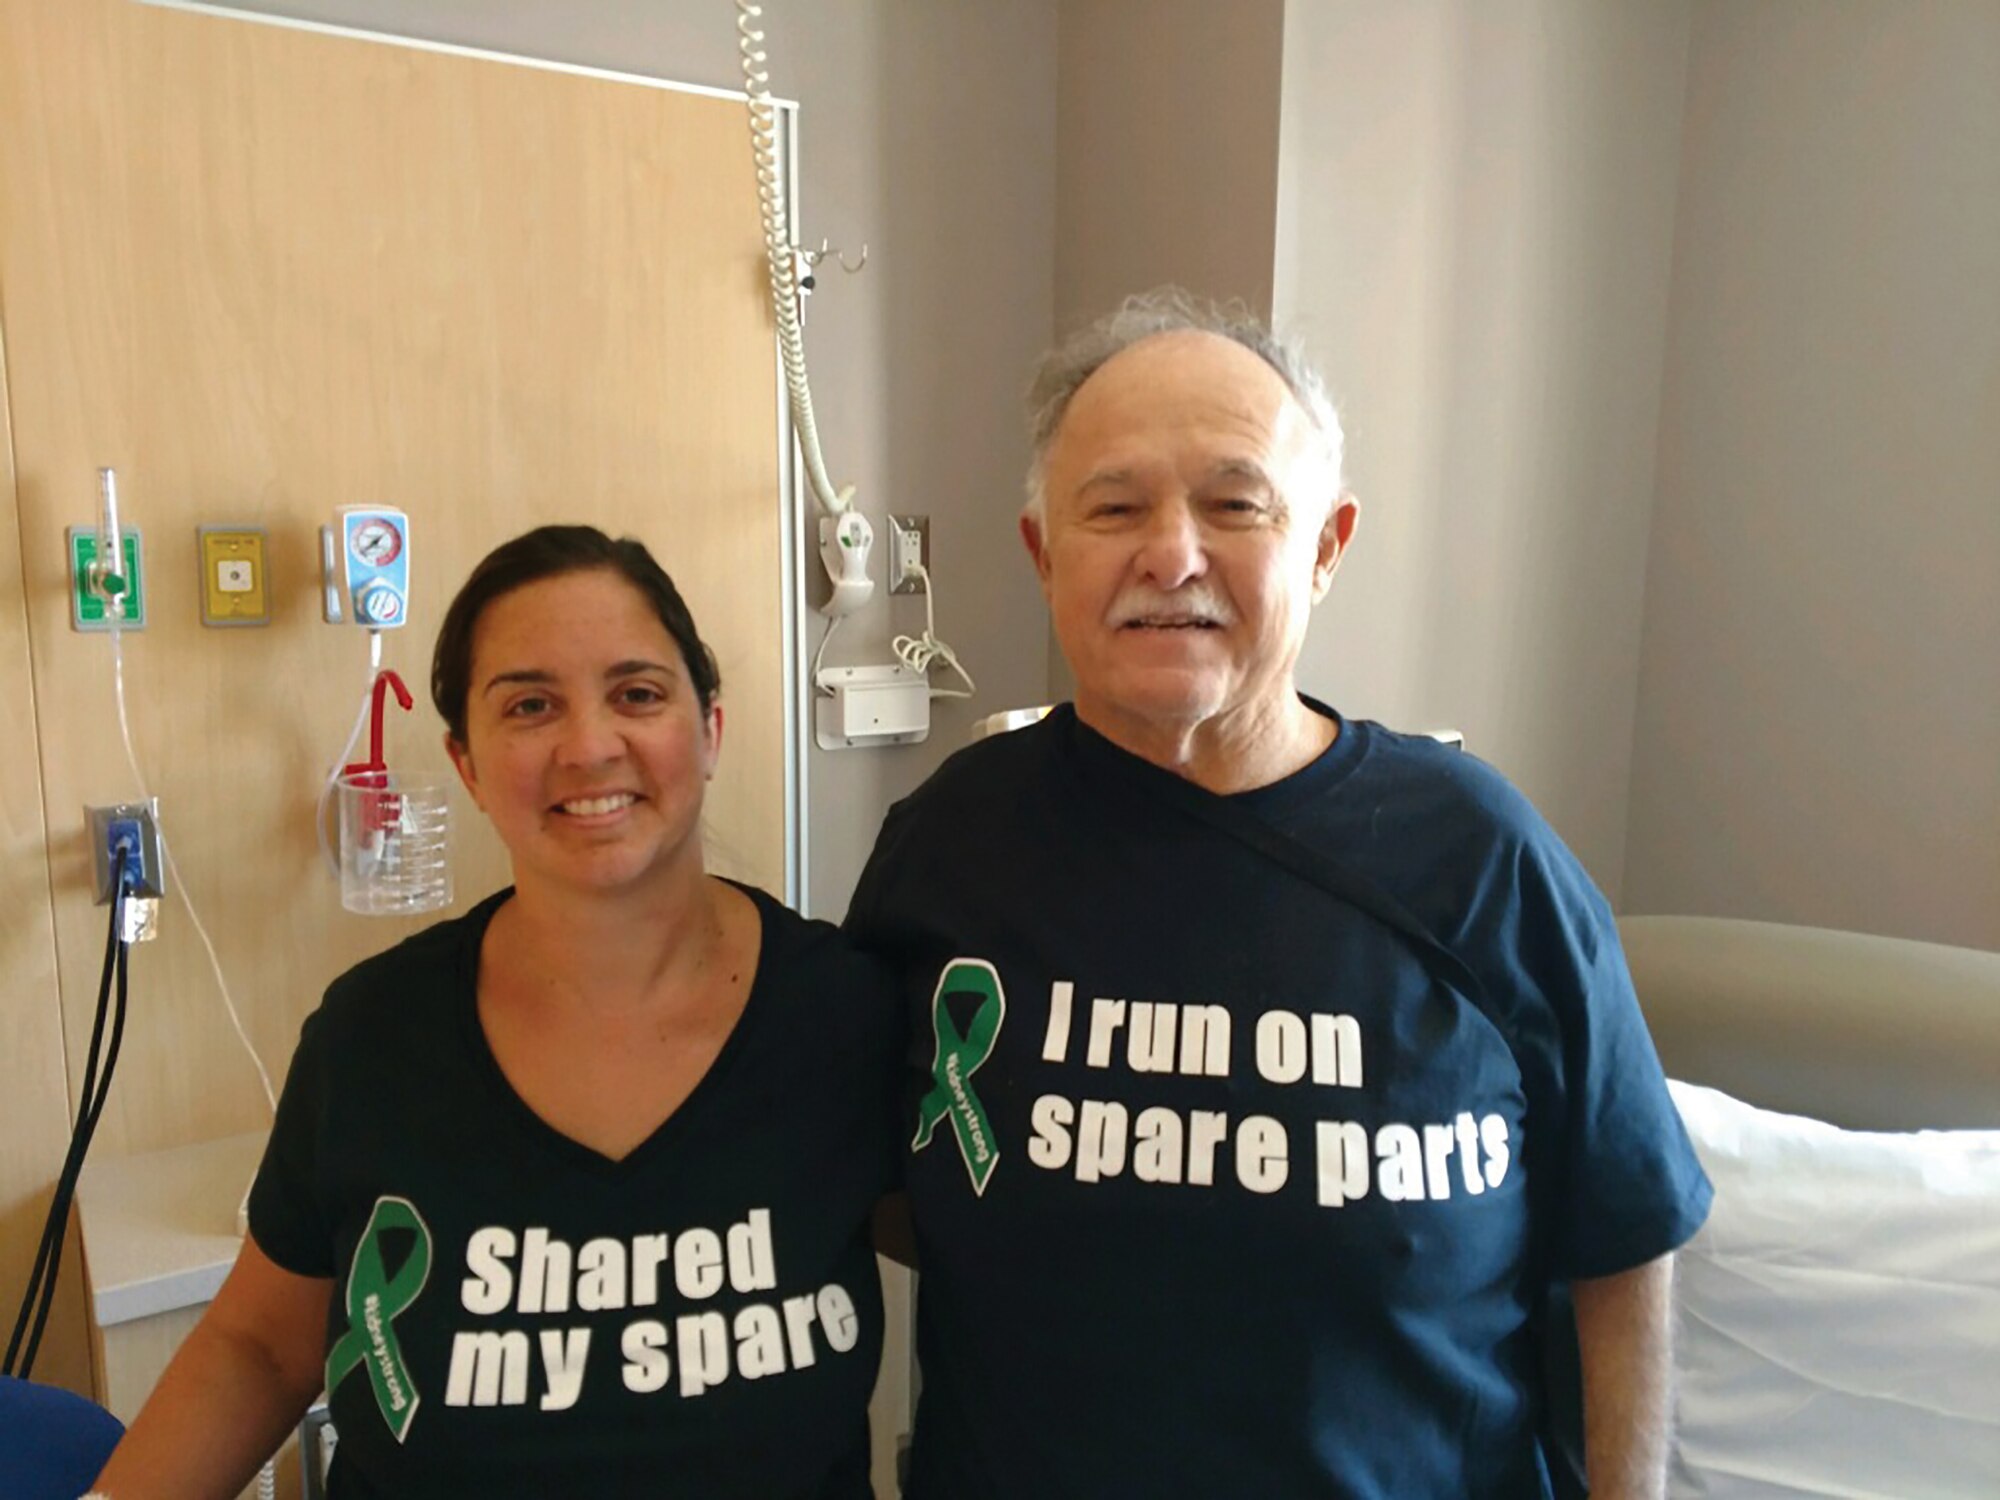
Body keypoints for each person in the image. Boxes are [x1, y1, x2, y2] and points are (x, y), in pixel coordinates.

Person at [846, 291, 1713, 1499]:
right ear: (1046, 554)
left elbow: (1623, 1239)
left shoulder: (1481, 859)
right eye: (1113, 507)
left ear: (1324, 546)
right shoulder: (947, 847)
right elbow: (881, 1192)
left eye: (1234, 503)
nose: (1171, 553)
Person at [92, 527, 903, 1499]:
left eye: (638, 693)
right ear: (467, 764)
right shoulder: (372, 1039)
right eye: (529, 705)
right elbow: (261, 1349)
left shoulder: (846, 1015)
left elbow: (1006, 1260)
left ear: (710, 730)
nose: (590, 745)